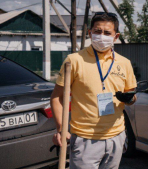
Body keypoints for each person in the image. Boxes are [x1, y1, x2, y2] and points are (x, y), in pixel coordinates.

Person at [50, 12, 138, 169]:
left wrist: (129, 99)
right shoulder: (74, 60)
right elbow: (57, 98)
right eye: (97, 31)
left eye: (107, 33)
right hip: (85, 139)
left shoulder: (124, 63)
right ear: (90, 33)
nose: (101, 36)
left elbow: (132, 98)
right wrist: (61, 129)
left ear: (116, 36)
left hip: (116, 137)